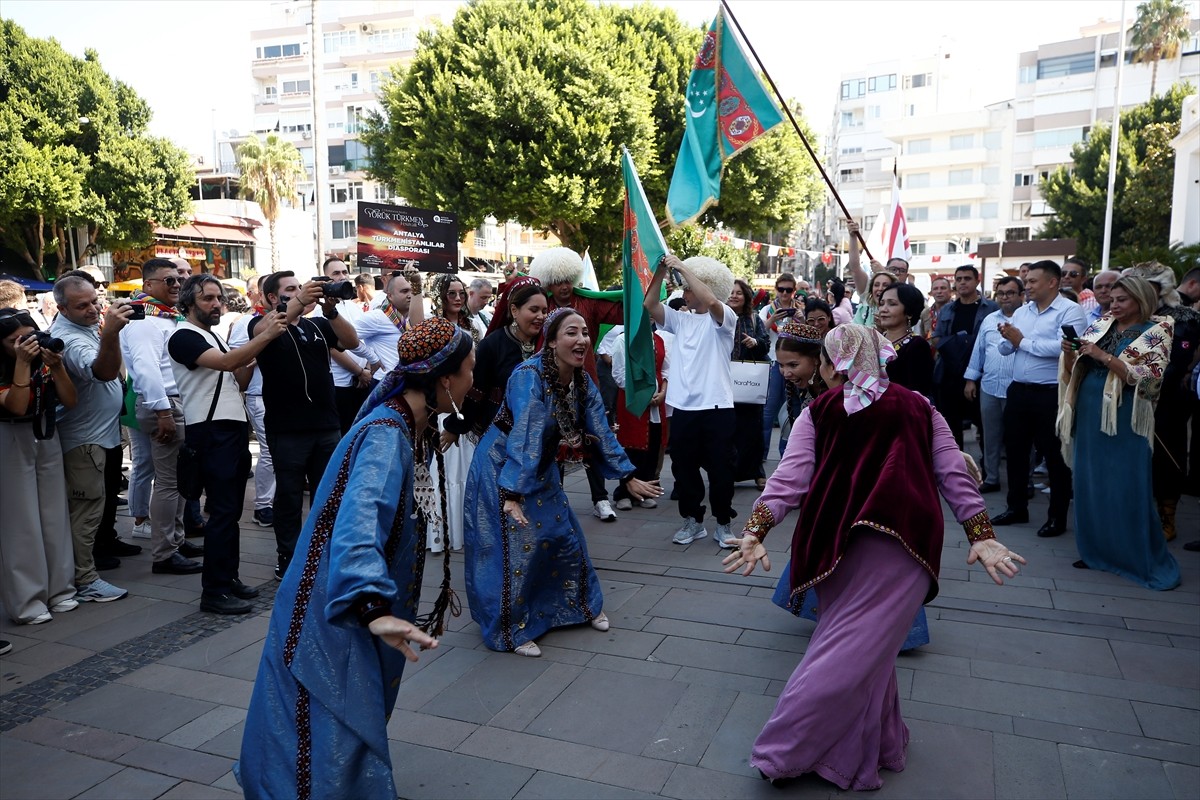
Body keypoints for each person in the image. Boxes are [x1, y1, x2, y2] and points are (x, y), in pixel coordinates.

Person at [722, 324, 1025, 791]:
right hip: (899, 549)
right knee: (864, 654)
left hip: (838, 548)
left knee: (844, 655)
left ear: (832, 364)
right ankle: (865, 746)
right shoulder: (919, 406)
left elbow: (788, 479)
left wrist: (756, 529)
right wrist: (979, 533)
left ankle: (781, 752)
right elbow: (953, 472)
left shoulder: (821, 411)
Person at [237, 318, 474, 799]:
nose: (476, 381)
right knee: (325, 724)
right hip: (337, 611)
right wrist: (370, 606)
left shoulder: (406, 421)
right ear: (445, 380)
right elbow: (360, 523)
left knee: (339, 721)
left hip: (343, 605)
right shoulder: (387, 433)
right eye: (470, 370)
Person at [463, 309, 662, 657]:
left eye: (585, 332)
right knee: (516, 547)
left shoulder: (582, 381)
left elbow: (599, 429)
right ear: (552, 341)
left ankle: (579, 607)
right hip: (503, 468)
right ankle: (512, 628)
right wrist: (511, 494)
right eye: (571, 333)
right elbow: (524, 435)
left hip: (539, 468)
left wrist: (628, 476)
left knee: (562, 535)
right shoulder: (528, 376)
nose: (582, 340)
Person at [169, 275, 289, 614]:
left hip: (231, 428)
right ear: (189, 303)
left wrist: (248, 359)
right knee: (222, 513)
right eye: (208, 299)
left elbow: (236, 376)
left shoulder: (210, 335)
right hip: (210, 430)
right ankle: (215, 590)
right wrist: (262, 337)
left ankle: (228, 578)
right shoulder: (183, 336)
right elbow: (225, 364)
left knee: (231, 512)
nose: (216, 304)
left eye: (219, 298)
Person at [1058, 276, 1178, 590]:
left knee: (1126, 485)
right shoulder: (1101, 325)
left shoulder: (1158, 331)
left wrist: (1102, 356)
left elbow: (1149, 382)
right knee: (1091, 482)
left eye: (1122, 299)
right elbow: (1074, 371)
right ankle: (1096, 551)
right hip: (1089, 410)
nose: (1114, 305)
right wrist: (1071, 352)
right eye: (1112, 299)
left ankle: (1133, 556)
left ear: (1140, 299)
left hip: (1126, 417)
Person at [250, 270, 360, 579]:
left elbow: (351, 341)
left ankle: (324, 553)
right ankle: (288, 557)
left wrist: (330, 309)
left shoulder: (318, 324)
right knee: (289, 496)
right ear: (273, 298)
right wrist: (301, 299)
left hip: (326, 424)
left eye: (302, 287)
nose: (302, 292)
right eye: (291, 289)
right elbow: (261, 330)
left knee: (328, 494)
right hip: (287, 428)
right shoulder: (266, 326)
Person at [49, 277, 136, 601]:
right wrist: (111, 332)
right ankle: (84, 580)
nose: (92, 309)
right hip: (84, 440)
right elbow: (102, 372)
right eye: (81, 305)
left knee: (96, 508)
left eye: (94, 302)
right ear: (62, 308)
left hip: (99, 436)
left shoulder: (83, 329)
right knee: (85, 512)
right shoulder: (68, 338)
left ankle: (86, 569)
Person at [645, 254, 739, 548]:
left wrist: (684, 267)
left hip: (717, 407)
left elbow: (711, 302)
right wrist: (661, 272)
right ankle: (693, 521)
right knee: (684, 470)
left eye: (688, 287)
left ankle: (723, 523)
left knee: (721, 470)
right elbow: (649, 304)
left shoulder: (725, 318)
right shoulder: (681, 320)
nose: (684, 292)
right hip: (684, 408)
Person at [120, 258, 205, 575]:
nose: (176, 285)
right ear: (147, 286)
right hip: (165, 404)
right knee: (169, 483)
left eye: (178, 280)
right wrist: (163, 411)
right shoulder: (144, 323)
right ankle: (164, 553)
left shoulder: (170, 318)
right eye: (167, 280)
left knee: (181, 480)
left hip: (178, 402)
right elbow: (145, 371)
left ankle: (176, 541)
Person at [527, 247, 624, 522]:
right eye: (558, 281)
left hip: (585, 385)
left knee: (592, 440)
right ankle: (553, 498)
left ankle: (601, 499)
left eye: (568, 279)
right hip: (547, 386)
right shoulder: (540, 307)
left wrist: (640, 282)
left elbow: (621, 310)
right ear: (548, 282)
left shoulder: (588, 303)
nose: (564, 286)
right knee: (551, 443)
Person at [993, 260, 1087, 537]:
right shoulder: (1022, 312)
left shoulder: (1070, 311)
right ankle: (1016, 507)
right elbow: (1007, 348)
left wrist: (1021, 341)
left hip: (1051, 393)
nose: (1027, 286)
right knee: (1016, 453)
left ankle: (1057, 517)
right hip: (1019, 391)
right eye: (1027, 281)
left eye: (1033, 281)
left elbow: (1064, 347)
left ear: (1052, 282)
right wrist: (1007, 338)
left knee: (1056, 458)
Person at [0, 307, 80, 623]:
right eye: (13, 341)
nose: (23, 344)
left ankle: (61, 590)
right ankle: (27, 601)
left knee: (53, 513)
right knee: (20, 521)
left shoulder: (43, 361)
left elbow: (70, 401)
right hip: (9, 434)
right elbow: (17, 407)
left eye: (27, 337)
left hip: (45, 432)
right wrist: (21, 363)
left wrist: (56, 367)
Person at [1118, 263, 1200, 542]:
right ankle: (1134, 515)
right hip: (1127, 400)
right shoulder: (1126, 317)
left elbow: (1175, 365)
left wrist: (1139, 376)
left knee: (1167, 459)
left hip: (1167, 403)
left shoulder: (1181, 319)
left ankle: (1167, 518)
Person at [447, 276, 546, 441]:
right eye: (534, 310)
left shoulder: (549, 344)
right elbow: (474, 391)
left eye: (544, 310)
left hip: (539, 433)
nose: (541, 316)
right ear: (514, 310)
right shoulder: (493, 345)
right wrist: (455, 428)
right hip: (498, 435)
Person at [964, 276, 1023, 493]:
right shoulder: (989, 320)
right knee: (990, 436)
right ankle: (991, 478)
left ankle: (1022, 482)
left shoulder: (1027, 318)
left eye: (1010, 293)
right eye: (1001, 293)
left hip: (1017, 388)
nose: (1005, 297)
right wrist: (971, 379)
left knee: (1019, 439)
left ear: (1021, 295)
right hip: (989, 386)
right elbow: (978, 351)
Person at [931, 265, 999, 449]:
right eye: (958, 279)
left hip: (981, 374)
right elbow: (936, 337)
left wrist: (969, 346)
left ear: (977, 281)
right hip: (950, 373)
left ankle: (988, 474)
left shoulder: (991, 308)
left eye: (967, 278)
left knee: (984, 425)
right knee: (951, 427)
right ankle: (956, 469)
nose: (962, 282)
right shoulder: (947, 309)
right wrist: (957, 346)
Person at [227, 275, 275, 529]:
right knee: (268, 451)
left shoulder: (291, 319)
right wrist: (262, 345)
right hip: (259, 395)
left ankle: (275, 501)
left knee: (283, 450)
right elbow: (235, 361)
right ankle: (263, 506)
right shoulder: (246, 321)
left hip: (284, 395)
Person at [608, 322, 669, 510]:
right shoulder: (622, 340)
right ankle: (624, 493)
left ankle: (645, 490)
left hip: (656, 404)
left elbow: (666, 370)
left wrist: (663, 393)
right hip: (633, 403)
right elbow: (619, 375)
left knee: (652, 446)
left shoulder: (658, 340)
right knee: (631, 447)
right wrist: (643, 395)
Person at [729, 278, 769, 485]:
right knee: (728, 427)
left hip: (749, 381)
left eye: (739, 293)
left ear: (746, 297)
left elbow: (766, 344)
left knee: (753, 427)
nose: (734, 296)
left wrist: (755, 343)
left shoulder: (753, 319)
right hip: (724, 379)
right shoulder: (718, 316)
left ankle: (757, 471)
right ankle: (729, 471)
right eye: (731, 292)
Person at [758, 273, 801, 465]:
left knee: (792, 410)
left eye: (788, 290)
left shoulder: (799, 310)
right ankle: (762, 454)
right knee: (769, 410)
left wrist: (801, 321)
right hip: (775, 363)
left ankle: (788, 454)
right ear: (776, 289)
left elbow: (808, 336)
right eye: (781, 289)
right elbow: (758, 333)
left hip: (795, 365)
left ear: (794, 291)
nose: (784, 293)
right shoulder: (767, 310)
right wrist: (772, 319)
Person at [876, 283, 934, 399]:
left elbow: (917, 393)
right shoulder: (873, 340)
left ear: (909, 312)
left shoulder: (917, 346)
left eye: (892, 304)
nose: (883, 309)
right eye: (882, 304)